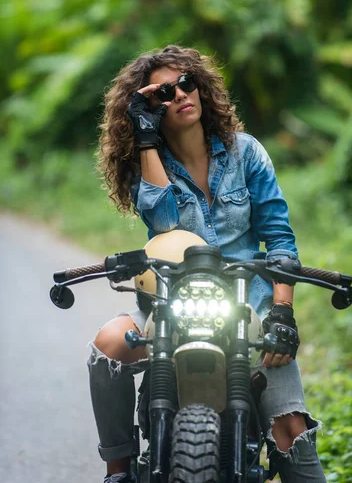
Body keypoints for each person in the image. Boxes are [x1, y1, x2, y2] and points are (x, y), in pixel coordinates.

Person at [89, 45, 327, 483]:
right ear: (147, 106)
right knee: (109, 345)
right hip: (171, 301)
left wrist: (282, 313)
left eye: (186, 83)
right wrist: (145, 138)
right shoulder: (149, 162)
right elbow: (163, 223)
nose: (180, 94)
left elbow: (279, 238)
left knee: (291, 430)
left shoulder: (246, 153)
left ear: (200, 87)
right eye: (163, 93)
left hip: (246, 306)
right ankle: (118, 470)